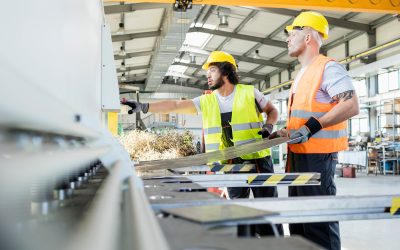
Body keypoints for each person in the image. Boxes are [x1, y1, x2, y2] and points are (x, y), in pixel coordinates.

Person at [122, 51, 281, 236]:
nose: (207, 75)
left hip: (258, 161)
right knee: (238, 212)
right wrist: (144, 107)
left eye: (212, 70)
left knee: (268, 210)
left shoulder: (249, 92)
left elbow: (272, 110)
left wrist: (269, 126)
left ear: (226, 72)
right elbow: (175, 106)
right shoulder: (207, 101)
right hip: (230, 165)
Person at [271, 11, 359, 250]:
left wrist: (312, 126)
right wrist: (285, 132)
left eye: (293, 33)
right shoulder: (301, 74)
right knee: (299, 224)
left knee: (318, 224)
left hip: (318, 160)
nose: (288, 39)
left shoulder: (327, 67)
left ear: (308, 36)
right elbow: (304, 116)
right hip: (298, 157)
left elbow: (351, 104)